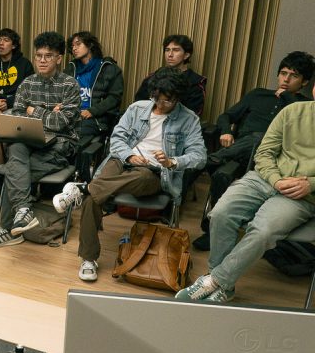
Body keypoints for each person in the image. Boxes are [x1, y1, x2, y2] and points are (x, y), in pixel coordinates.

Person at [54, 67, 206, 282]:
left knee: (124, 181)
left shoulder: (189, 120)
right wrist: (129, 156)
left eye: (167, 102)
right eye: (157, 99)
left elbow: (200, 156)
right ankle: (89, 259)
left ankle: (81, 188)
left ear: (178, 99)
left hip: (153, 172)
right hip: (122, 160)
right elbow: (117, 139)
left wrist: (172, 161)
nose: (160, 106)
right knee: (93, 199)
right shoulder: (137, 108)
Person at [176, 76, 315, 304]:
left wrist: (310, 183)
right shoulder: (293, 111)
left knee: (262, 231)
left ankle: (215, 281)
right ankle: (225, 286)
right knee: (221, 214)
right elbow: (265, 152)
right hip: (265, 178)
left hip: (302, 194)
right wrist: (276, 179)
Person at [193, 52, 314, 250]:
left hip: (271, 163)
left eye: (294, 76)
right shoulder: (258, 94)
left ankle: (209, 160)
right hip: (240, 155)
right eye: (283, 73)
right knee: (222, 175)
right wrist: (225, 132)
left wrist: (287, 96)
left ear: (304, 82)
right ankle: (211, 231)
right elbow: (226, 116)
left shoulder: (302, 108)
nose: (286, 79)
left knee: (259, 138)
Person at [0, 31, 81, 248]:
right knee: (17, 146)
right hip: (29, 142)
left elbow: (59, 123)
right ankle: (23, 213)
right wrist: (47, 112)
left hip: (59, 146)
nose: (42, 61)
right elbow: (15, 116)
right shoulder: (27, 83)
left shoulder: (70, 85)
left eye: (48, 56)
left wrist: (33, 111)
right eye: (38, 56)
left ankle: (8, 229)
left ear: (59, 58)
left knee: (13, 171)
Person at [63, 31, 124, 144]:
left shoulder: (108, 68)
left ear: (90, 45)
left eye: (78, 44)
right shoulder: (71, 68)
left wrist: (92, 111)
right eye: (72, 46)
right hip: (71, 115)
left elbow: (114, 98)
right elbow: (62, 92)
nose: (74, 48)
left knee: (73, 133)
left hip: (95, 119)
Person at [135, 35, 206, 115]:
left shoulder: (196, 82)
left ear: (186, 55)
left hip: (178, 124)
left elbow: (194, 114)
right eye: (167, 50)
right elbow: (138, 103)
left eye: (176, 50)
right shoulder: (153, 76)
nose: (170, 54)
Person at [0, 28, 34, 111]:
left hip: (17, 105)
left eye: (6, 40)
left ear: (14, 45)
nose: (1, 43)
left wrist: (9, 102)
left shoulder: (24, 63)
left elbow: (30, 89)